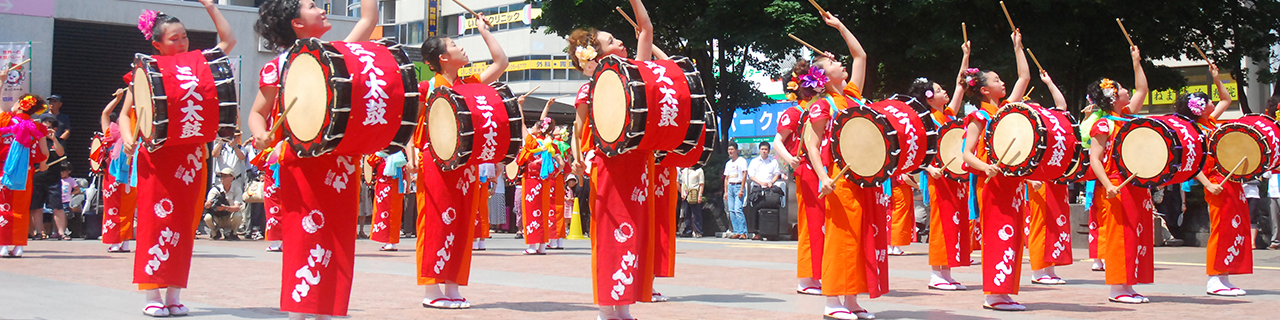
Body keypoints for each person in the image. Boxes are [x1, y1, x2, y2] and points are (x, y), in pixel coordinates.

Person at [250, 0, 374, 318]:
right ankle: (299, 312)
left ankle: (328, 312)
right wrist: (261, 133)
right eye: (311, 6)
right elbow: (256, 113)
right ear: (297, 24)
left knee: (338, 243)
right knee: (303, 240)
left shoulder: (336, 56)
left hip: (340, 165)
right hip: (301, 165)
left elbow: (369, 18)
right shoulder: (278, 66)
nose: (321, 8)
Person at [119, 2, 235, 316]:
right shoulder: (144, 70)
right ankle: (151, 294)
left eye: (184, 36)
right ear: (156, 44)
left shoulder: (198, 63)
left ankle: (174, 294)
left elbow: (228, 41)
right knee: (155, 223)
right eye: (174, 39)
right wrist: (129, 140)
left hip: (191, 159)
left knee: (184, 225)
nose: (182, 43)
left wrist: (212, 7)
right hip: (157, 159)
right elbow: (124, 116)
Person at [403, 5, 507, 309]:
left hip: (465, 164)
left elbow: (501, 62)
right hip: (434, 163)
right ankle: (431, 290)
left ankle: (452, 285)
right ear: (443, 58)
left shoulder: (469, 84)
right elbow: (412, 126)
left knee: (462, 223)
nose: (461, 46)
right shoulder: (427, 88)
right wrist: (410, 156)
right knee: (434, 220)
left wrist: (485, 31)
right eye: (454, 45)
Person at [565, 1, 660, 317]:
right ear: (596, 57)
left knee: (633, 231)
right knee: (611, 234)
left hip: (638, 165)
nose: (621, 42)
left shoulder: (636, 74)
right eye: (611, 41)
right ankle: (607, 309)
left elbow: (646, 29)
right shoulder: (590, 89)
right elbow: (578, 130)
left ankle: (623, 307)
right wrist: (578, 160)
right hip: (609, 168)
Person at [795, 11, 880, 320]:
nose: (840, 63)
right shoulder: (822, 105)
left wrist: (840, 26)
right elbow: (810, 144)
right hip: (839, 180)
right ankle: (832, 301)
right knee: (841, 239)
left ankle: (852, 299)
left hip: (862, 178)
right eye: (832, 64)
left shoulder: (852, 96)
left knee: (860, 239)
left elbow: (860, 55)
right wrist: (822, 177)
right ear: (823, 78)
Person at [959, 28, 1032, 311]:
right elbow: (966, 154)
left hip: (1011, 183)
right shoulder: (978, 115)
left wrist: (1018, 47)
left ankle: (1004, 291)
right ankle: (993, 293)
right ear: (985, 90)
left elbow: (1024, 77)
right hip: (991, 184)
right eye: (998, 81)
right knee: (997, 234)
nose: (1004, 83)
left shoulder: (1007, 111)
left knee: (1012, 235)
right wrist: (986, 167)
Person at [1087, 43, 1156, 303]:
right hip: (1116, 184)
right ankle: (1117, 288)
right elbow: (1095, 158)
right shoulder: (1103, 123)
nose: (1128, 90)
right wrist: (1107, 185)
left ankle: (1128, 284)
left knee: (1136, 232)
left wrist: (1136, 61)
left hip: (1136, 183)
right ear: (1113, 96)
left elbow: (1142, 89)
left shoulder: (1126, 117)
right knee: (1119, 234)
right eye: (1121, 87)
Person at [1183, 63, 1249, 297]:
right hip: (1216, 182)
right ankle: (1214, 278)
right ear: (1199, 108)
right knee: (1221, 229)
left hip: (1229, 180)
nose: (1213, 103)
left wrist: (1216, 76)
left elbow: (1226, 99)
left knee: (1233, 227)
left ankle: (1225, 276)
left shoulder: (1210, 122)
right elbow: (1193, 164)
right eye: (1207, 101)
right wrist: (1207, 184)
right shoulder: (1194, 130)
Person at [907, 45, 970, 290]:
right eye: (940, 89)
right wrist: (926, 168)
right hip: (939, 178)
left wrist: (964, 56)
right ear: (929, 97)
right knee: (941, 221)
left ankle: (947, 271)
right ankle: (936, 273)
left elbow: (961, 86)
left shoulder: (949, 115)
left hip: (956, 178)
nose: (945, 92)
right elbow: (918, 150)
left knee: (954, 221)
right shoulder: (926, 120)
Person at [775, 66, 823, 295]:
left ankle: (817, 274)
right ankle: (806, 278)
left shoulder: (819, 109)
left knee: (820, 224)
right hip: (806, 170)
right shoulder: (795, 113)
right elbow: (777, 141)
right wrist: (790, 159)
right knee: (810, 224)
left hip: (820, 169)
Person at [1023, 70, 1074, 286]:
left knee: (1056, 224)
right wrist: (1027, 179)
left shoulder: (1049, 125)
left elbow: (1062, 108)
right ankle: (1038, 270)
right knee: (1040, 224)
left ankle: (1050, 269)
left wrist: (1050, 83)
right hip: (1038, 180)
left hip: (1055, 179)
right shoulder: (1024, 127)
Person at [0, 94, 53, 258]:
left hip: (4, 169)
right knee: (21, 208)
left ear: (20, 105)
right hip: (26, 171)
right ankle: (18, 246)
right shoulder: (38, 127)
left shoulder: (6, 120)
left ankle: (2, 245)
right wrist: (42, 164)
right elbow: (44, 153)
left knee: (3, 207)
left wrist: (1, 81)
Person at [99, 88, 137, 253]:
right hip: (130, 175)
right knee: (127, 208)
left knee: (113, 208)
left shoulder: (112, 131)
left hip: (113, 175)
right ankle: (124, 242)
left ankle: (115, 242)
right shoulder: (135, 135)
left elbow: (105, 114)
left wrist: (118, 99)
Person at [31, 114, 67, 240]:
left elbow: (61, 153)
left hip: (53, 179)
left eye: (47, 128)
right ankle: (39, 232)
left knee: (57, 206)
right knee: (36, 207)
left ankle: (62, 232)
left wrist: (54, 139)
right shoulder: (35, 140)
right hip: (37, 178)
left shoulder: (57, 141)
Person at [367, 151, 406, 251]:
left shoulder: (397, 156)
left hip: (393, 186)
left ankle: (390, 241)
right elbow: (370, 160)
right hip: (385, 187)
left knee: (392, 214)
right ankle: (389, 241)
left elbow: (370, 160)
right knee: (386, 214)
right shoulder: (385, 155)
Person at [745, 142, 781, 240]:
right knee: (755, 210)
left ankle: (771, 232)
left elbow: (777, 174)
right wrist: (761, 183)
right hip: (758, 188)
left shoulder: (773, 161)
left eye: (766, 149)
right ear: (759, 150)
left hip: (770, 189)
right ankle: (757, 232)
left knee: (772, 209)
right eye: (762, 149)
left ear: (768, 150)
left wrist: (771, 182)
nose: (764, 151)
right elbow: (751, 175)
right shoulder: (754, 161)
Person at [204, 168, 244, 241]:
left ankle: (233, 233)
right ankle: (215, 233)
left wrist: (225, 207)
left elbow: (237, 208)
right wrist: (211, 202)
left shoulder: (236, 189)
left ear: (232, 178)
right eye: (221, 176)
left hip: (229, 217)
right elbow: (206, 206)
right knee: (207, 217)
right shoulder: (215, 190)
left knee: (238, 215)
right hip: (217, 217)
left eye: (225, 176)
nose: (222, 178)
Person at [722, 142, 748, 238]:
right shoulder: (728, 163)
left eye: (732, 149)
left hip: (738, 186)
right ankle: (736, 231)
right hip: (730, 187)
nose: (730, 151)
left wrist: (741, 189)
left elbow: (744, 174)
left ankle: (743, 232)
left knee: (738, 209)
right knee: (731, 210)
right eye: (729, 149)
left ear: (737, 150)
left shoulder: (741, 161)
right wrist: (725, 191)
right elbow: (726, 178)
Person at [679, 166, 705, 238]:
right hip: (687, 193)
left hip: (694, 193)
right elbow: (683, 182)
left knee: (696, 213)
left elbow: (701, 184)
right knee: (687, 213)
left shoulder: (699, 170)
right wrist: (682, 193)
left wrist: (700, 195)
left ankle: (698, 231)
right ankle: (688, 230)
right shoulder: (686, 170)